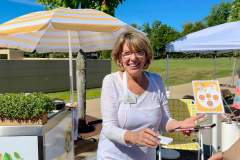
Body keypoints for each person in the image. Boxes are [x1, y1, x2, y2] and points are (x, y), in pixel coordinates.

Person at [97, 31, 204, 160]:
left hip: (146, 156)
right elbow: (108, 128)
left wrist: (179, 125)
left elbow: (164, 120)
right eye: (127, 53)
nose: (133, 58)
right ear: (119, 58)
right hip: (113, 156)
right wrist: (134, 137)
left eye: (139, 52)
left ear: (147, 56)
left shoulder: (157, 81)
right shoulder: (111, 81)